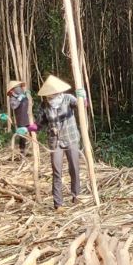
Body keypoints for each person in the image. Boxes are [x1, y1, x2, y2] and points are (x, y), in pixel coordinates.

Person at [35, 74, 87, 210]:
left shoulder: (68, 99)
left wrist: (83, 97)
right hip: (55, 141)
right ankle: (58, 203)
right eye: (49, 94)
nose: (51, 97)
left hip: (71, 138)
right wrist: (27, 128)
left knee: (74, 168)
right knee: (57, 171)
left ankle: (76, 196)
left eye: (53, 93)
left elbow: (82, 107)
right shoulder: (45, 105)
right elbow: (39, 124)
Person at [6, 79, 37, 155]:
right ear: (12, 90)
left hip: (29, 118)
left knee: (33, 134)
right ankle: (22, 153)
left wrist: (28, 96)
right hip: (21, 120)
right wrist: (19, 99)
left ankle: (34, 151)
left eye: (19, 87)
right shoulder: (12, 98)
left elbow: (31, 104)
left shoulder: (24, 94)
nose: (18, 88)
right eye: (16, 87)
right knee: (22, 138)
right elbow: (14, 106)